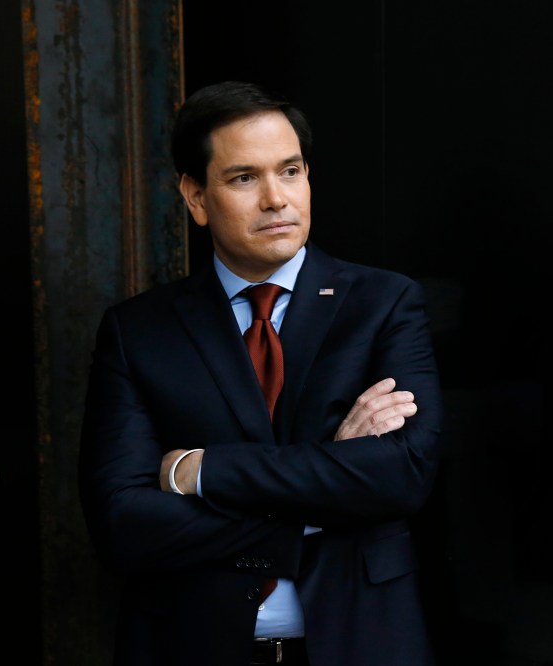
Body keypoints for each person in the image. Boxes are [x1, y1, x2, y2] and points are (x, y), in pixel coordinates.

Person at [78, 80, 443, 666]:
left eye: (291, 171)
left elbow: (401, 474)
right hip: (192, 645)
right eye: (244, 178)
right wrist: (330, 477)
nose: (277, 198)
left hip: (360, 642)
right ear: (196, 197)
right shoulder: (138, 331)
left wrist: (203, 470)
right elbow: (122, 523)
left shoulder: (382, 304)